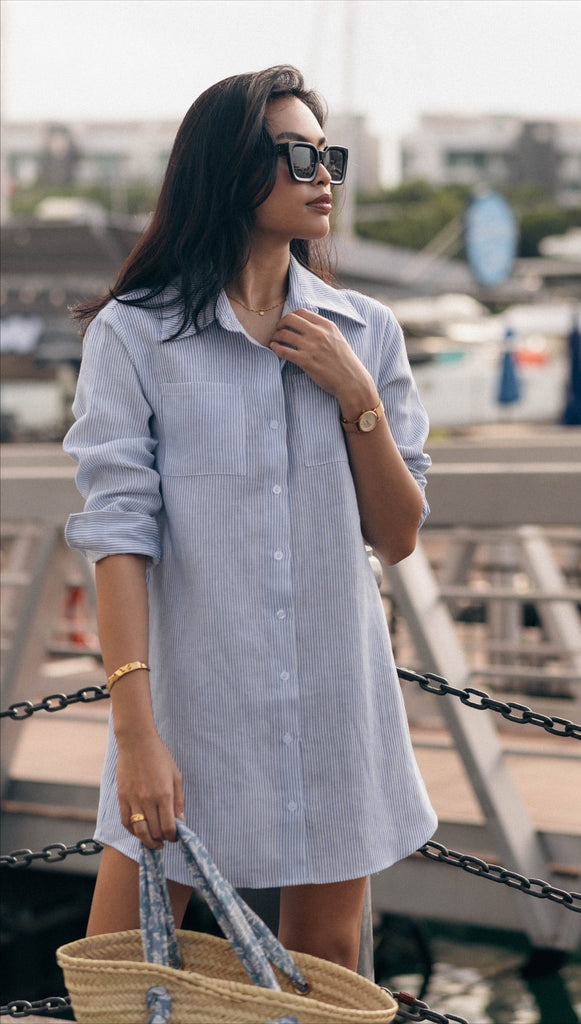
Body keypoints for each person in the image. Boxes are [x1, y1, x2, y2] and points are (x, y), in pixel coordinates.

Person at [63, 65, 437, 973]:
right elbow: (118, 539)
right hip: (190, 704)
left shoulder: (366, 332)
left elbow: (397, 534)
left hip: (333, 697)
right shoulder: (134, 335)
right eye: (299, 154)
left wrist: (358, 402)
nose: (323, 176)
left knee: (327, 961)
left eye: (329, 155)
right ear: (230, 170)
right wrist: (136, 736)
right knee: (121, 965)